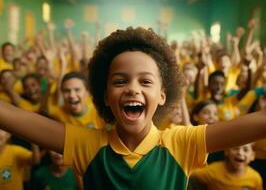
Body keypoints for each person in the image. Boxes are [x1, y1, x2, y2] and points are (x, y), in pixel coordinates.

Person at [1, 27, 266, 189]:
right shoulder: (88, 146)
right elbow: (10, 115)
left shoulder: (181, 142)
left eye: (145, 81)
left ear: (162, 95)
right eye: (120, 81)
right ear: (105, 96)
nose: (132, 88)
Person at [188, 143, 263, 190]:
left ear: (252, 156)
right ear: (227, 151)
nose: (240, 153)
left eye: (245, 150)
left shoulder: (255, 178)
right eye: (235, 148)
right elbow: (192, 176)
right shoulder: (212, 170)